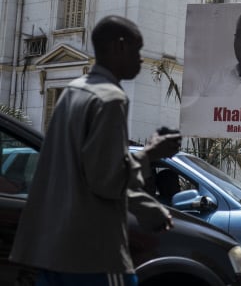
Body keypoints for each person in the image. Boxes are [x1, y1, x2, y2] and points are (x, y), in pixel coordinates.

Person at [10, 15, 182, 286]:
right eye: (138, 50)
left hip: (52, 251)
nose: (140, 58)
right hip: (93, 254)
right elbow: (107, 180)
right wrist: (150, 153)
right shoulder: (111, 99)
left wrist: (149, 209)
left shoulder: (72, 92)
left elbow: (80, 172)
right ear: (120, 46)